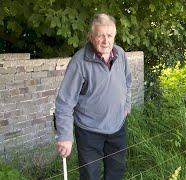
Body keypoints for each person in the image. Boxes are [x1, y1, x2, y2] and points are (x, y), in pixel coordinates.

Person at [54, 14, 132, 180]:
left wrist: (126, 107)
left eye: (110, 35)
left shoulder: (120, 54)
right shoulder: (79, 62)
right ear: (91, 37)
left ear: (115, 36)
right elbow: (65, 102)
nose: (106, 41)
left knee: (116, 172)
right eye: (100, 35)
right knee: (90, 176)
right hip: (89, 131)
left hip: (118, 126)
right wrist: (65, 136)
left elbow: (127, 83)